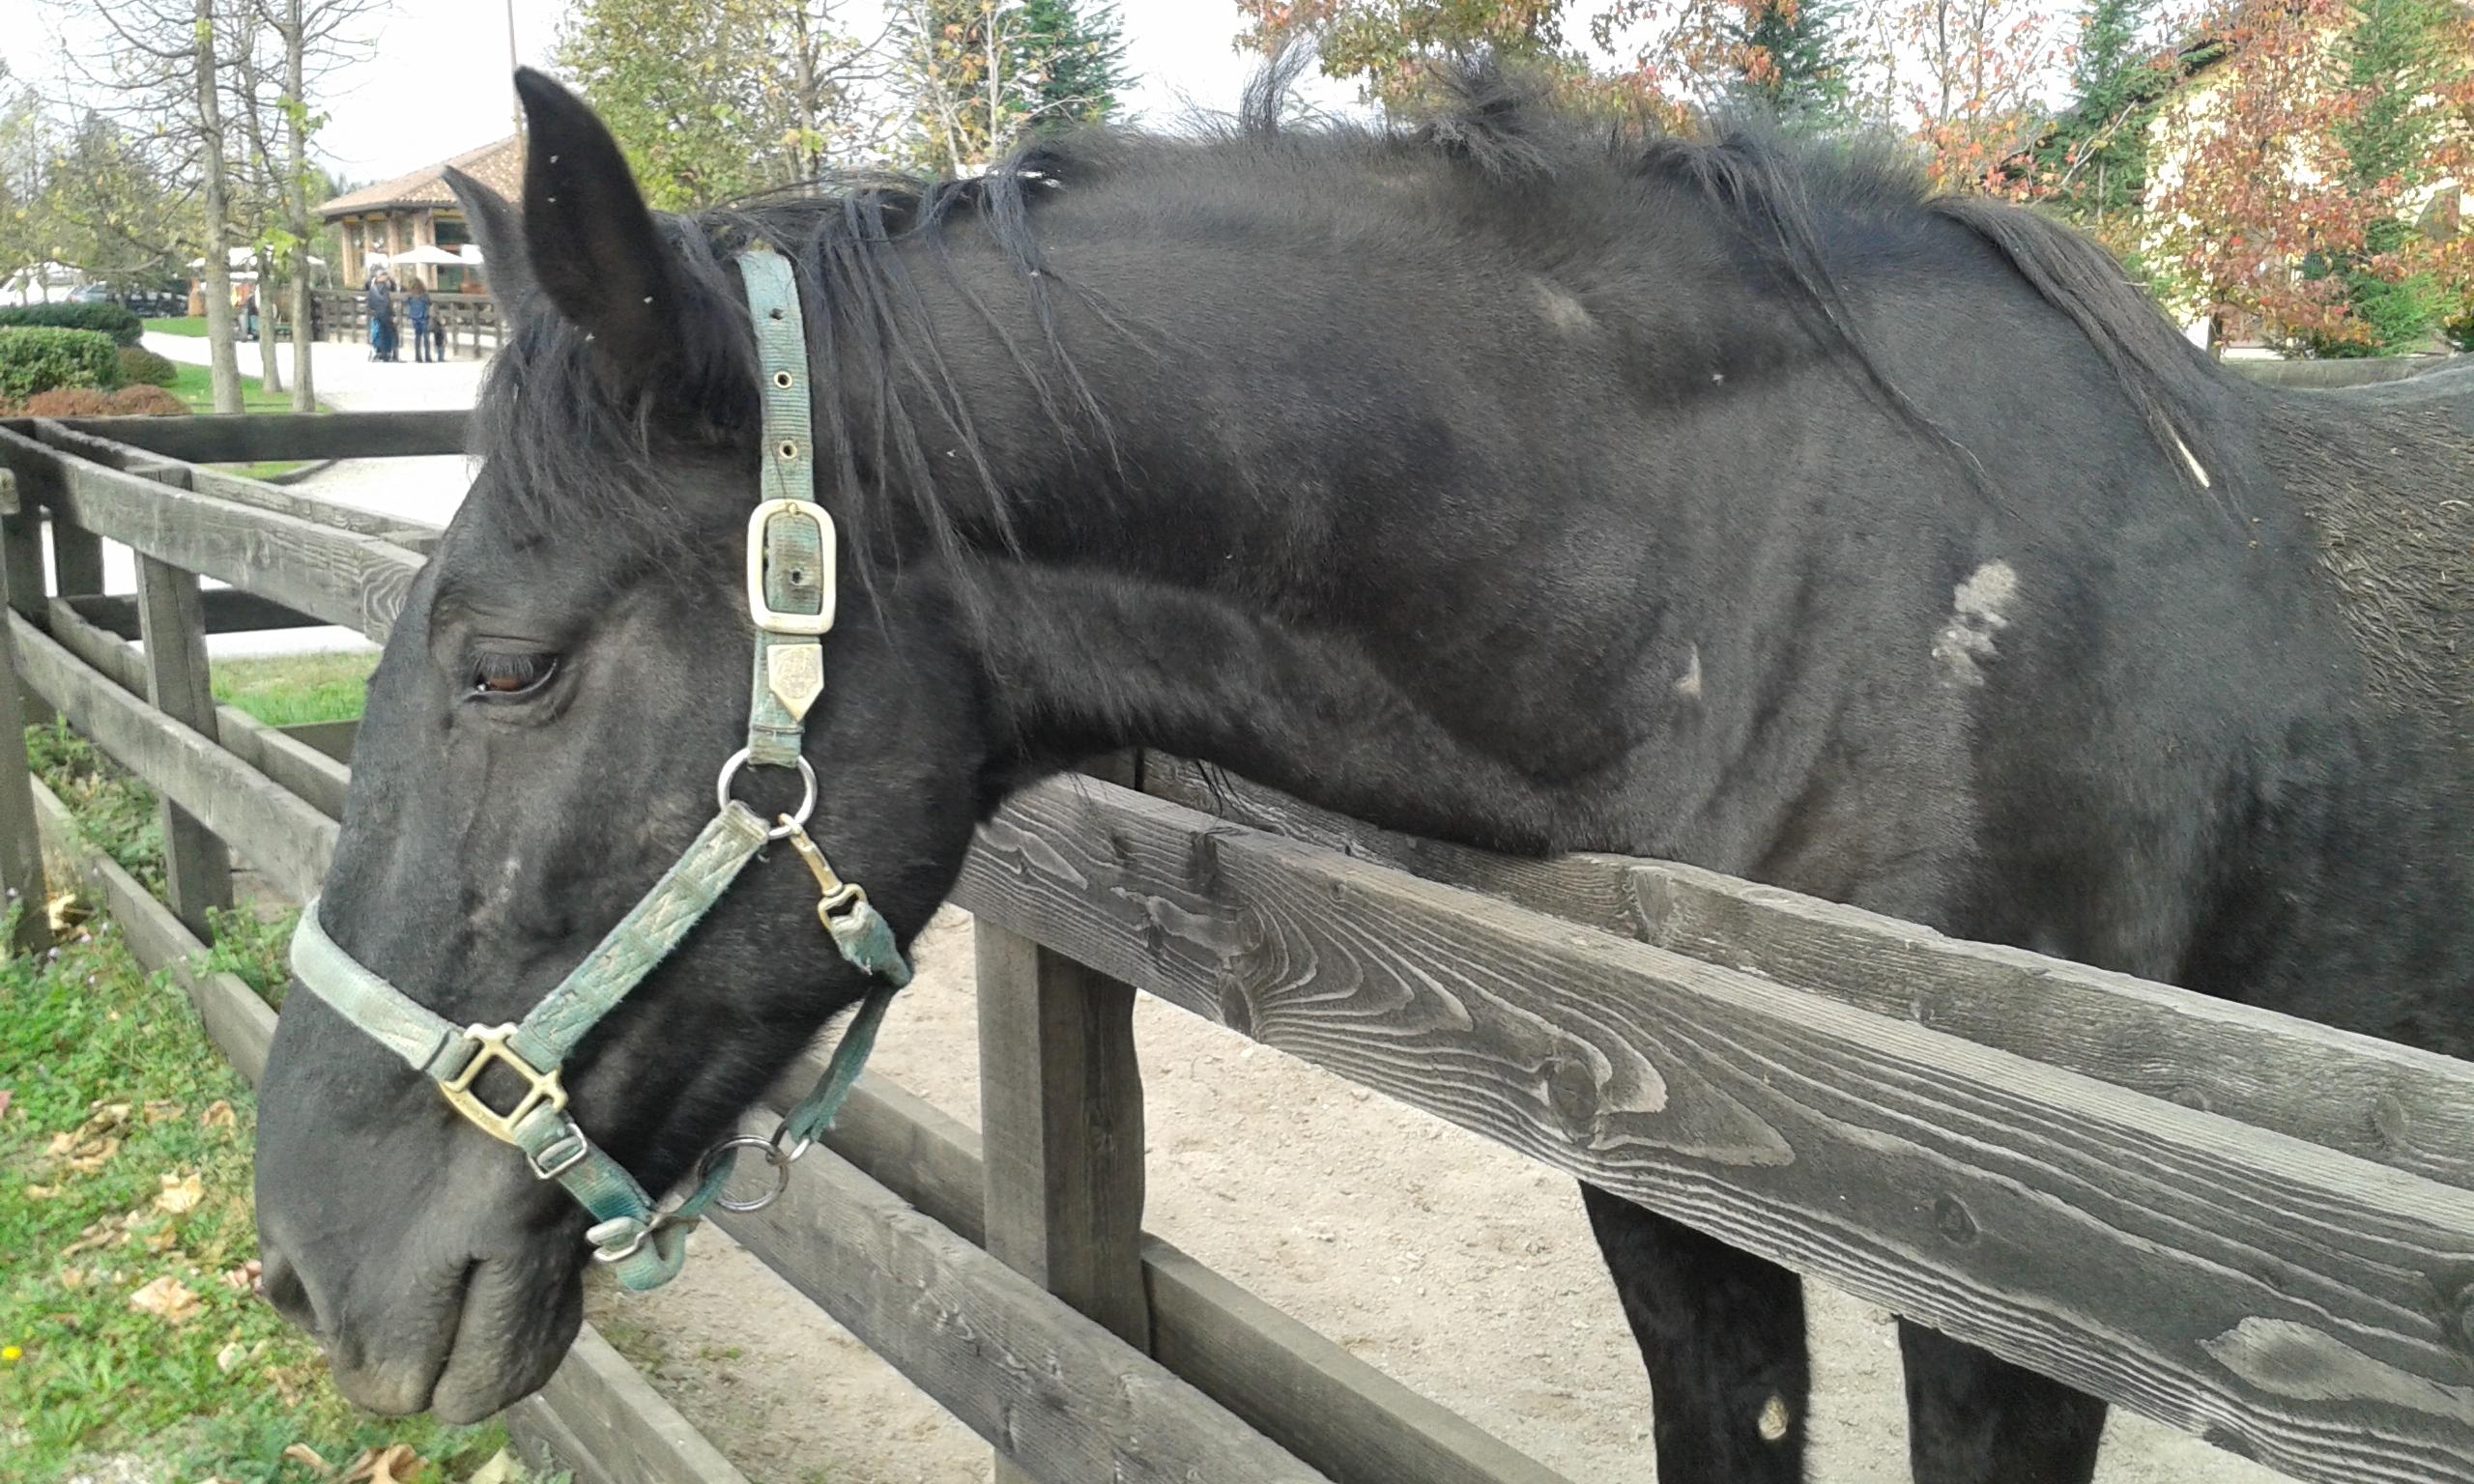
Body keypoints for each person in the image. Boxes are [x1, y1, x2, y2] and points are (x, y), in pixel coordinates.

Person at [364, 271, 395, 362]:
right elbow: (386, 302)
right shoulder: (383, 288)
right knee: (383, 333)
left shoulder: (375, 288)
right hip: (383, 314)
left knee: (379, 333)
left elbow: (371, 302)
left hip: (377, 313)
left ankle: (380, 352)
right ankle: (384, 352)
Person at [406, 280, 434, 363]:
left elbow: (408, 304)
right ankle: (428, 357)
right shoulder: (425, 295)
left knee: (417, 338)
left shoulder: (411, 296)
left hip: (415, 318)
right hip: (424, 318)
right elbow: (429, 303)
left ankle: (418, 357)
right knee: (426, 339)